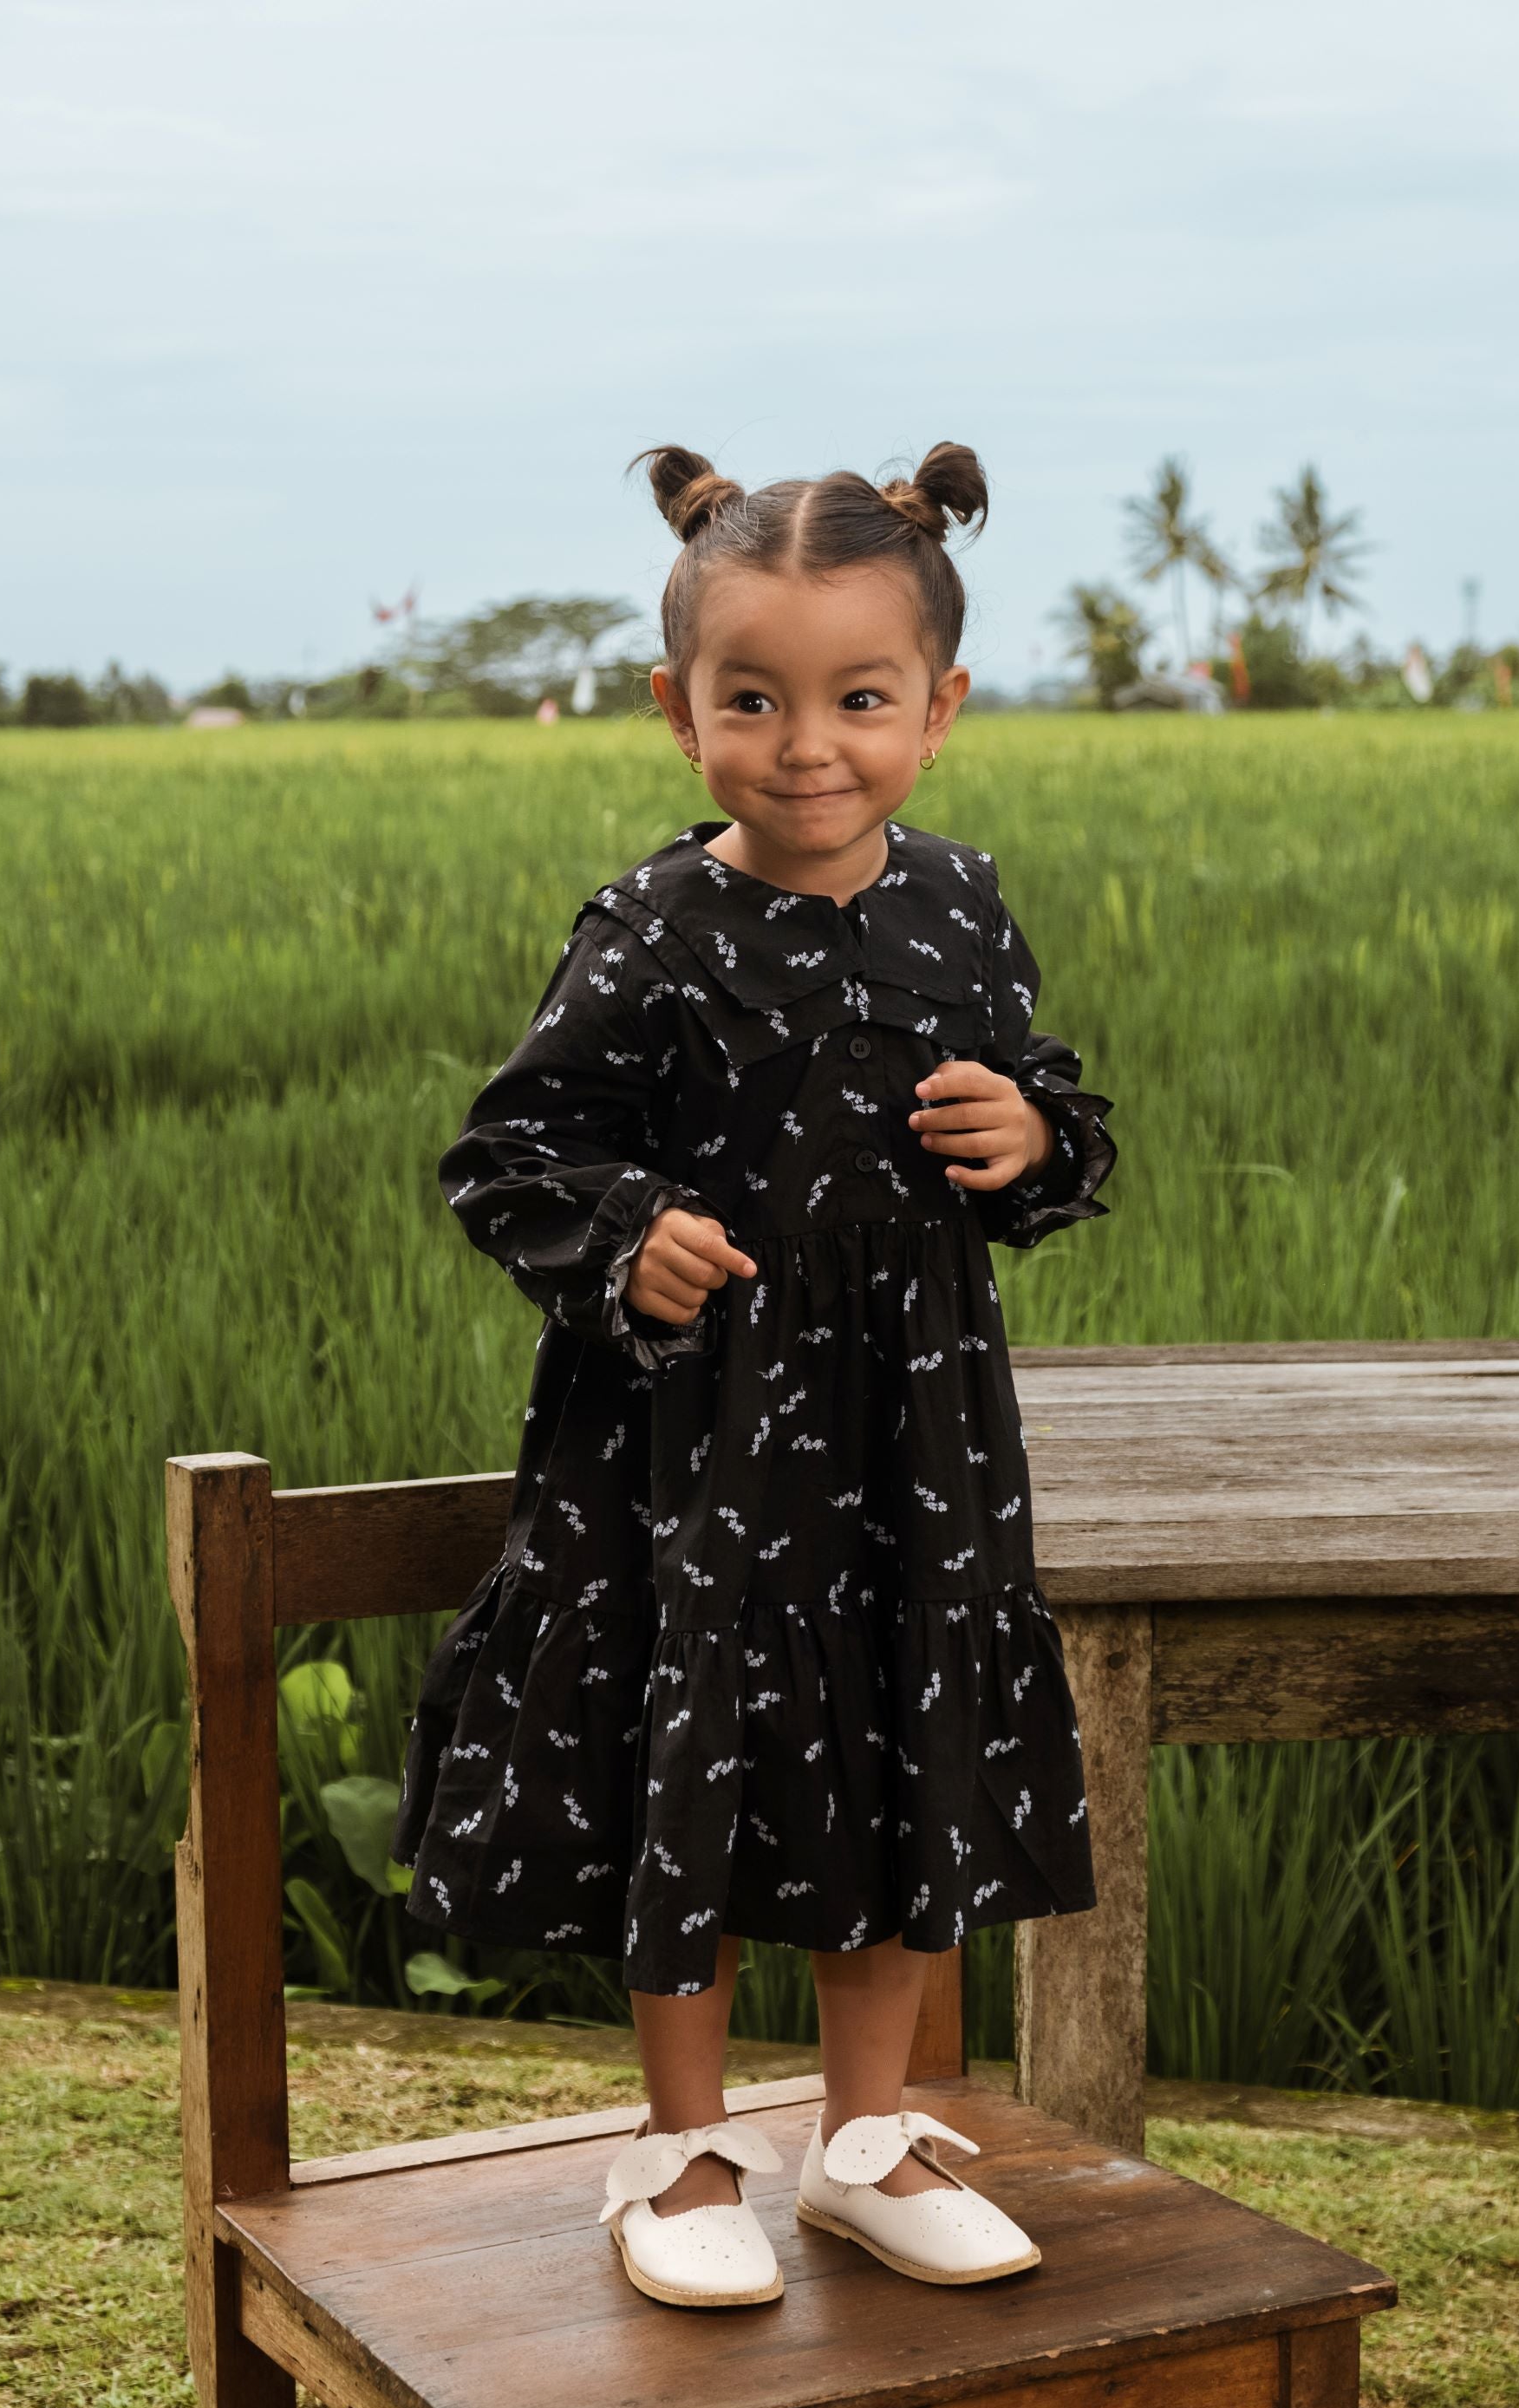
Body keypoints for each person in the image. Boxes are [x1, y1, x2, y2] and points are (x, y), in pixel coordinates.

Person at [394, 441, 1117, 2308]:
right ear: (675, 710)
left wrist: (1023, 1133)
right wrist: (626, 1227)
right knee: (693, 1746)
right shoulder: (650, 930)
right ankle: (680, 2150)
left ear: (939, 709)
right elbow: (507, 1157)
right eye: (753, 700)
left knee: (898, 1744)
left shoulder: (958, 908)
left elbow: (1054, 1113)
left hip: (914, 1438)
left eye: (859, 700)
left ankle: (861, 2142)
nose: (810, 745)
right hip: (698, 1445)